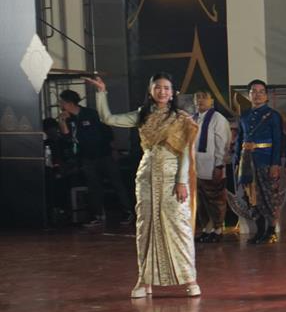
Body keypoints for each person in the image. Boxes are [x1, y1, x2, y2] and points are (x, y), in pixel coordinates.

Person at [87, 72, 200, 298]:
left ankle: (189, 279)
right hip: (147, 176)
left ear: (172, 93)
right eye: (158, 87)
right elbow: (108, 119)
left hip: (172, 177)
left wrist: (181, 181)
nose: (162, 91)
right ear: (150, 91)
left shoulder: (181, 118)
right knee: (146, 228)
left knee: (179, 227)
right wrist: (101, 93)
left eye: (166, 88)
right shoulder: (142, 114)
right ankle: (144, 281)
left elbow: (185, 153)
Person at [56, 88, 129, 228]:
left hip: (104, 153)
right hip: (86, 157)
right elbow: (67, 137)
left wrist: (113, 149)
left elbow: (106, 130)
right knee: (93, 186)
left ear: (69, 102)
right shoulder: (68, 118)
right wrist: (62, 122)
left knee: (116, 183)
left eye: (62, 102)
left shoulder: (90, 114)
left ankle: (127, 211)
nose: (60, 105)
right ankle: (97, 215)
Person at [233, 79, 285, 244]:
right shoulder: (244, 115)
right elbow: (239, 140)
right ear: (248, 95)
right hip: (246, 162)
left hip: (265, 160)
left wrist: (275, 164)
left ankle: (271, 231)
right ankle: (259, 230)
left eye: (261, 92)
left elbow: (278, 141)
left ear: (266, 95)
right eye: (253, 92)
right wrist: (237, 161)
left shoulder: (273, 115)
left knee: (268, 197)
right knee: (251, 198)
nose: (257, 95)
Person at [191, 90, 232, 242]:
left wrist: (219, 166)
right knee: (201, 202)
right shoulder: (193, 118)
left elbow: (223, 143)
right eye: (197, 97)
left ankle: (218, 230)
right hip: (196, 167)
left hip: (212, 166)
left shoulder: (217, 119)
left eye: (204, 97)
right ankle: (206, 229)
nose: (200, 100)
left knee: (215, 200)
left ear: (212, 101)